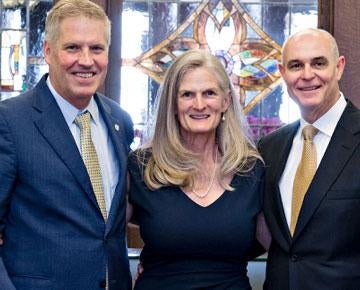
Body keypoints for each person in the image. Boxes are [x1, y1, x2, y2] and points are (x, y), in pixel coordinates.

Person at [0, 1, 133, 289]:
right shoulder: (10, 122)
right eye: (72, 48)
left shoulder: (119, 121)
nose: (86, 61)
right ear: (48, 51)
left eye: (96, 49)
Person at [127, 49, 270, 290]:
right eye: (187, 94)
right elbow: (103, 237)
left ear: (225, 101)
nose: (199, 104)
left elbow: (278, 247)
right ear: (173, 104)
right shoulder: (142, 165)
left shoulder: (251, 169)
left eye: (209, 93)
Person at [258, 28, 360, 290]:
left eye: (318, 63)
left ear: (339, 67)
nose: (306, 75)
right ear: (282, 73)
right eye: (295, 65)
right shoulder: (270, 148)